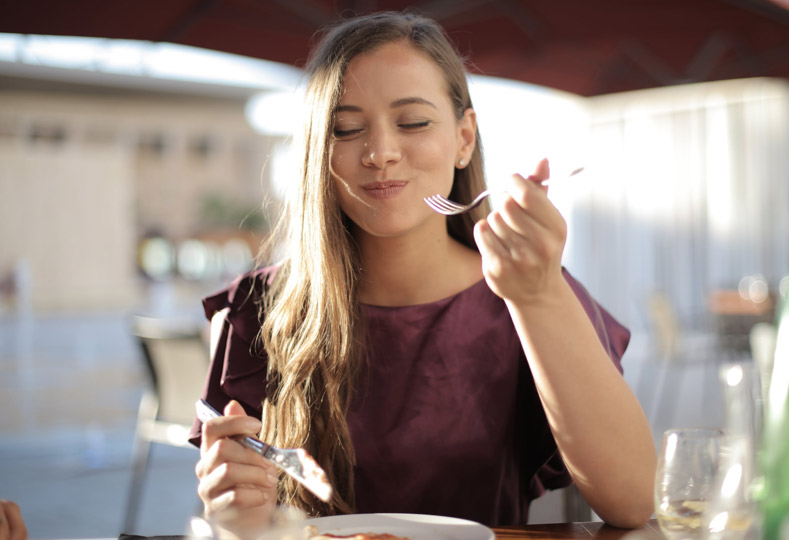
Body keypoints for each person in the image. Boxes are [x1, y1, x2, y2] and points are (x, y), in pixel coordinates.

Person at [191, 10, 656, 539]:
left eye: (413, 122)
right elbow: (242, 516)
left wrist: (539, 295)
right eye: (346, 129)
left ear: (464, 138)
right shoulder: (257, 310)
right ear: (319, 154)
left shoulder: (529, 292)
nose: (381, 153)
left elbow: (634, 500)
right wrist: (235, 514)